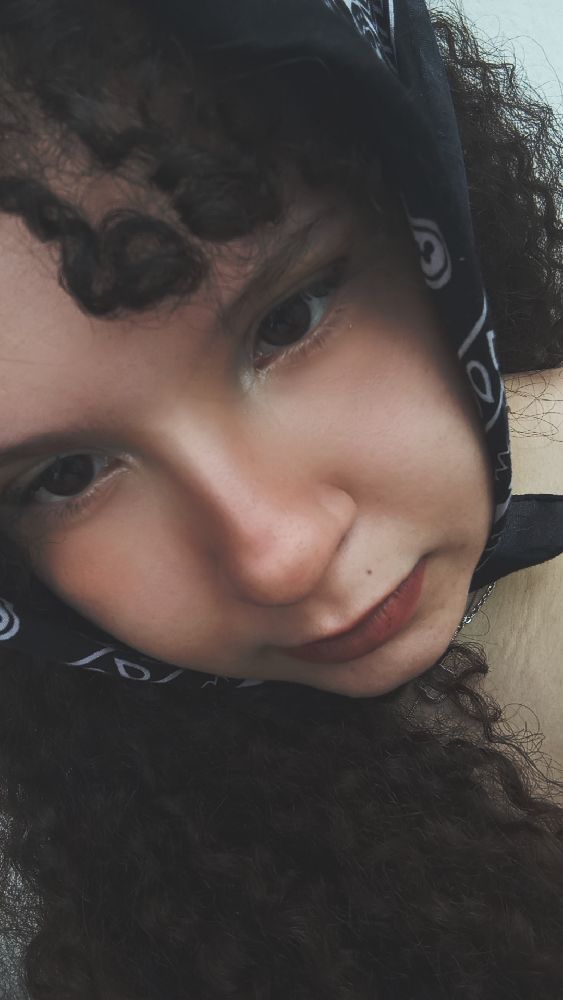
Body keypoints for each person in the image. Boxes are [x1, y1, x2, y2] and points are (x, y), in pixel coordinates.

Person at [0, 0, 561, 996]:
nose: (281, 557)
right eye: (68, 476)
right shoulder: (153, 908)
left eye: (290, 318)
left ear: (421, 208)